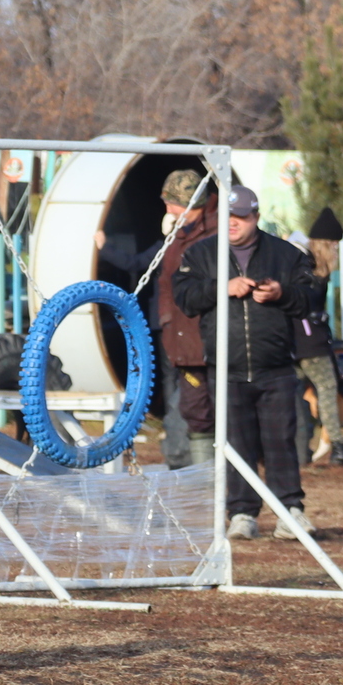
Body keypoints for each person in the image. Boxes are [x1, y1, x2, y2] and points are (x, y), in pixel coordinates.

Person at [172, 184, 315, 538]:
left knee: (281, 440)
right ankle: (241, 514)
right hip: (226, 368)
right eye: (228, 216)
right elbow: (185, 298)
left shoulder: (285, 254)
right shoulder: (200, 254)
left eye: (241, 216)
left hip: (276, 366)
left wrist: (282, 293)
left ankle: (290, 511)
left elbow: (311, 296)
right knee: (236, 442)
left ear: (256, 217)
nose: (233, 223)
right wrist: (223, 287)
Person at [100, 168, 220, 468]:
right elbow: (141, 264)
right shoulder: (175, 237)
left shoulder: (212, 235)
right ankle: (181, 453)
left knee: (198, 397)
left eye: (173, 203)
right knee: (178, 394)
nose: (167, 209)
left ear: (192, 204)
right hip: (172, 331)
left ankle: (192, 455)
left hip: (200, 332)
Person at [298, 207, 343, 466]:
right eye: (333, 245)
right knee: (326, 388)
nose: (336, 251)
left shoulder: (304, 264)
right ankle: (337, 445)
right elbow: (305, 307)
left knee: (299, 394)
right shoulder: (308, 267)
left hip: (303, 341)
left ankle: (300, 447)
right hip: (308, 342)